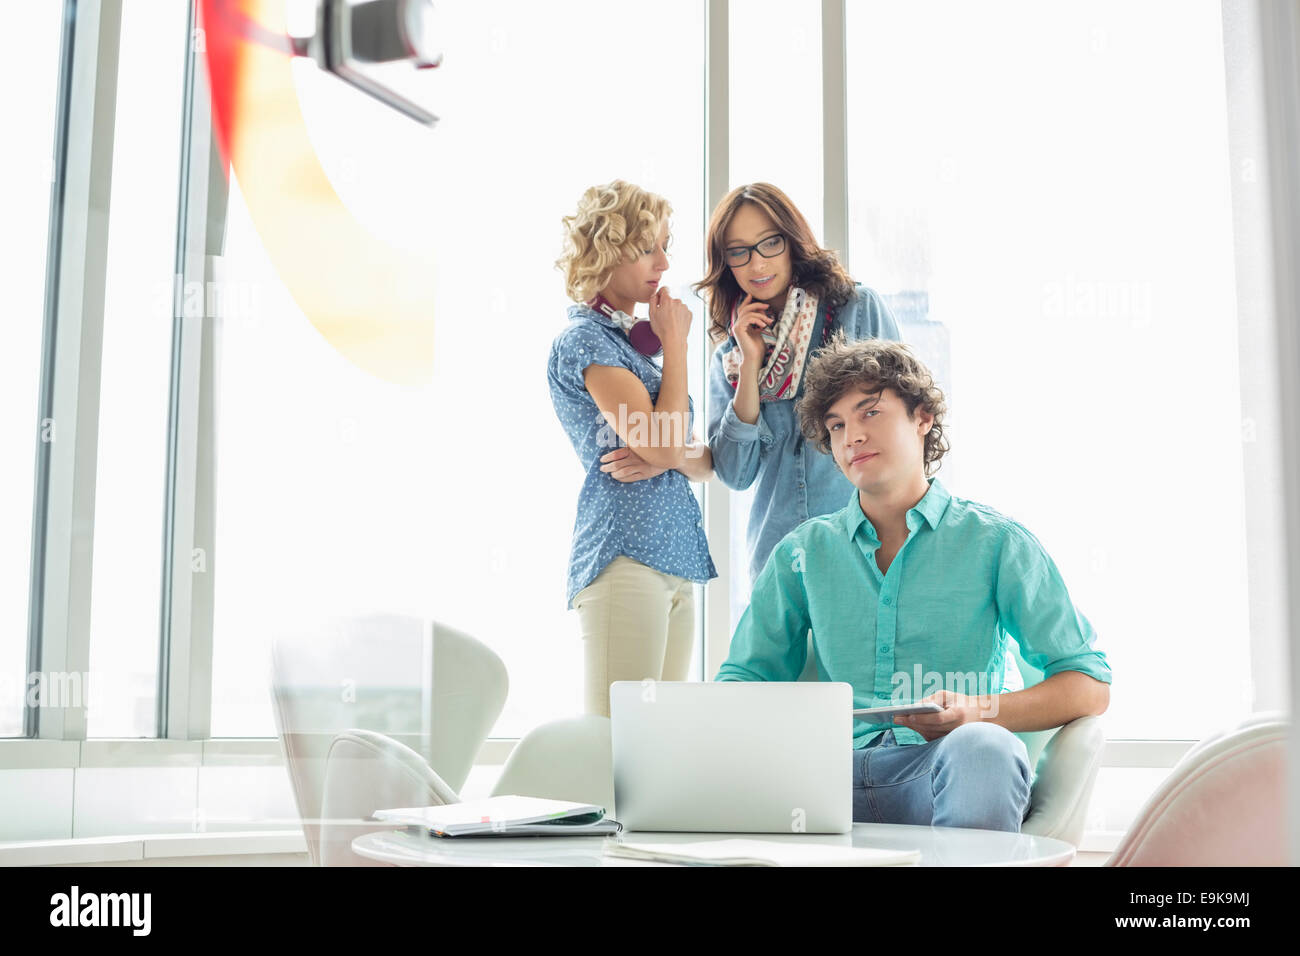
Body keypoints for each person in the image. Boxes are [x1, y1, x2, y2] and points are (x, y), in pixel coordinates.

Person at [715, 337, 1111, 831]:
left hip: (941, 770)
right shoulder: (802, 553)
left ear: (922, 418)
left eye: (870, 413)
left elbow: (1088, 685)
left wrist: (978, 712)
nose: (851, 437)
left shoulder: (997, 543)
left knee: (985, 747)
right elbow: (745, 679)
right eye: (836, 426)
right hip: (819, 780)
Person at [548, 180, 717, 718]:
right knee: (615, 743)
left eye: (666, 245)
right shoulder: (585, 341)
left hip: (674, 556)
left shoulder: (629, 347)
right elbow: (671, 447)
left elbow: (701, 461)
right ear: (608, 250)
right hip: (625, 555)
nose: (664, 263)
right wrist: (676, 345)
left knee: (658, 743)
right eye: (649, 248)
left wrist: (670, 454)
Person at [697, 183, 903, 586]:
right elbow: (736, 474)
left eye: (769, 243)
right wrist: (751, 364)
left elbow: (901, 429)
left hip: (865, 550)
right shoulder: (730, 355)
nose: (756, 265)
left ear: (791, 242)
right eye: (738, 251)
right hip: (779, 559)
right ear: (726, 262)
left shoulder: (857, 311)